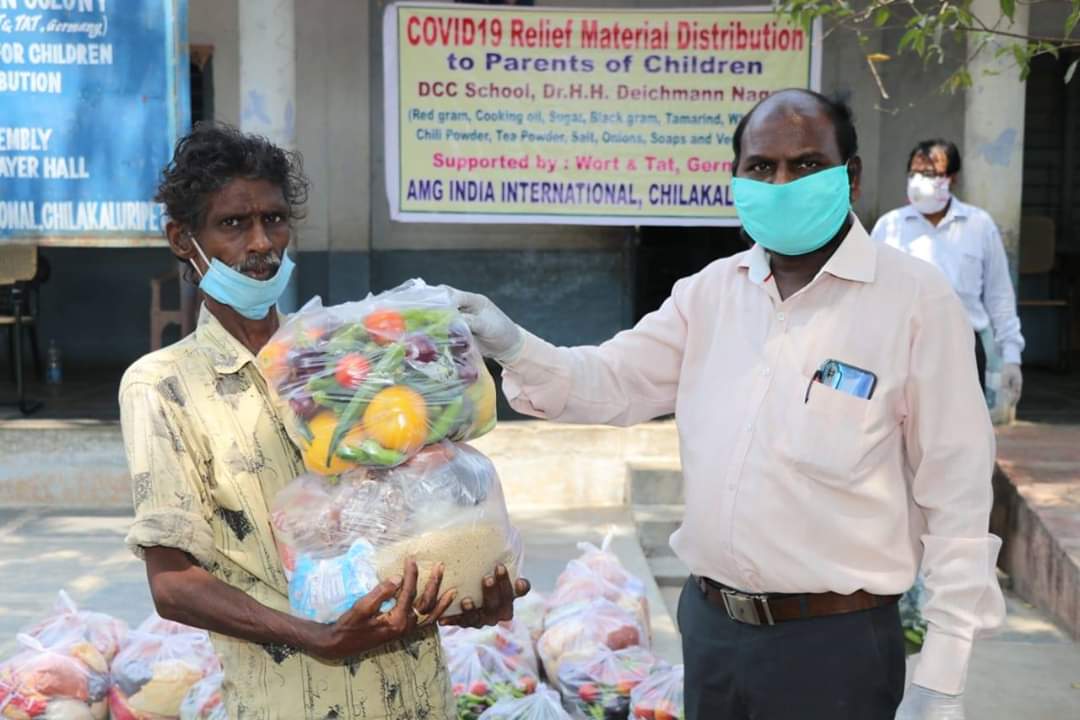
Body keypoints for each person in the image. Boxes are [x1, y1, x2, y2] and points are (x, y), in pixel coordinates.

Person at [446, 90, 1004, 720]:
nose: (782, 183)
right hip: (712, 635)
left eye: (807, 164)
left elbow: (957, 494)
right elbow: (610, 380)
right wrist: (513, 345)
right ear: (736, 180)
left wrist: (943, 676)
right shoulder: (710, 294)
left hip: (836, 650)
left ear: (850, 177)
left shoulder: (915, 302)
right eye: (762, 166)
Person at [119, 123, 528, 719]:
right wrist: (317, 636)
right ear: (183, 239)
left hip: (419, 697)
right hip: (293, 702)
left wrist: (465, 589)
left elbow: (414, 517)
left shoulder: (341, 352)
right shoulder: (164, 385)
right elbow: (173, 584)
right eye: (233, 223)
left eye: (274, 219)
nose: (262, 242)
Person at [870, 139, 1024, 402]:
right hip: (901, 348)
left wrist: (1011, 356)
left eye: (930, 173)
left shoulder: (979, 225)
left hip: (963, 348)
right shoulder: (890, 226)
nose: (920, 180)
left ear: (952, 178)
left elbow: (999, 295)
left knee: (963, 424)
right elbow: (870, 294)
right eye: (914, 173)